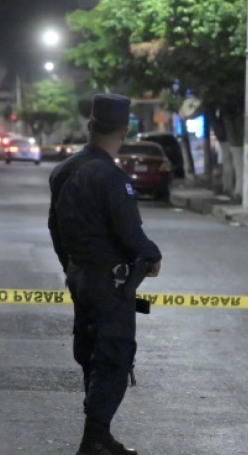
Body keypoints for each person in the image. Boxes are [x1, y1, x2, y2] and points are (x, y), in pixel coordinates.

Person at [48, 93, 162, 455]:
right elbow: (130, 233)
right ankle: (94, 438)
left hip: (80, 275)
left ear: (90, 126)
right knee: (113, 357)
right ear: (124, 130)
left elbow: (55, 227)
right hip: (109, 282)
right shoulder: (111, 177)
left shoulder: (64, 170)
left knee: (91, 353)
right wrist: (151, 254)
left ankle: (98, 435)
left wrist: (71, 265)